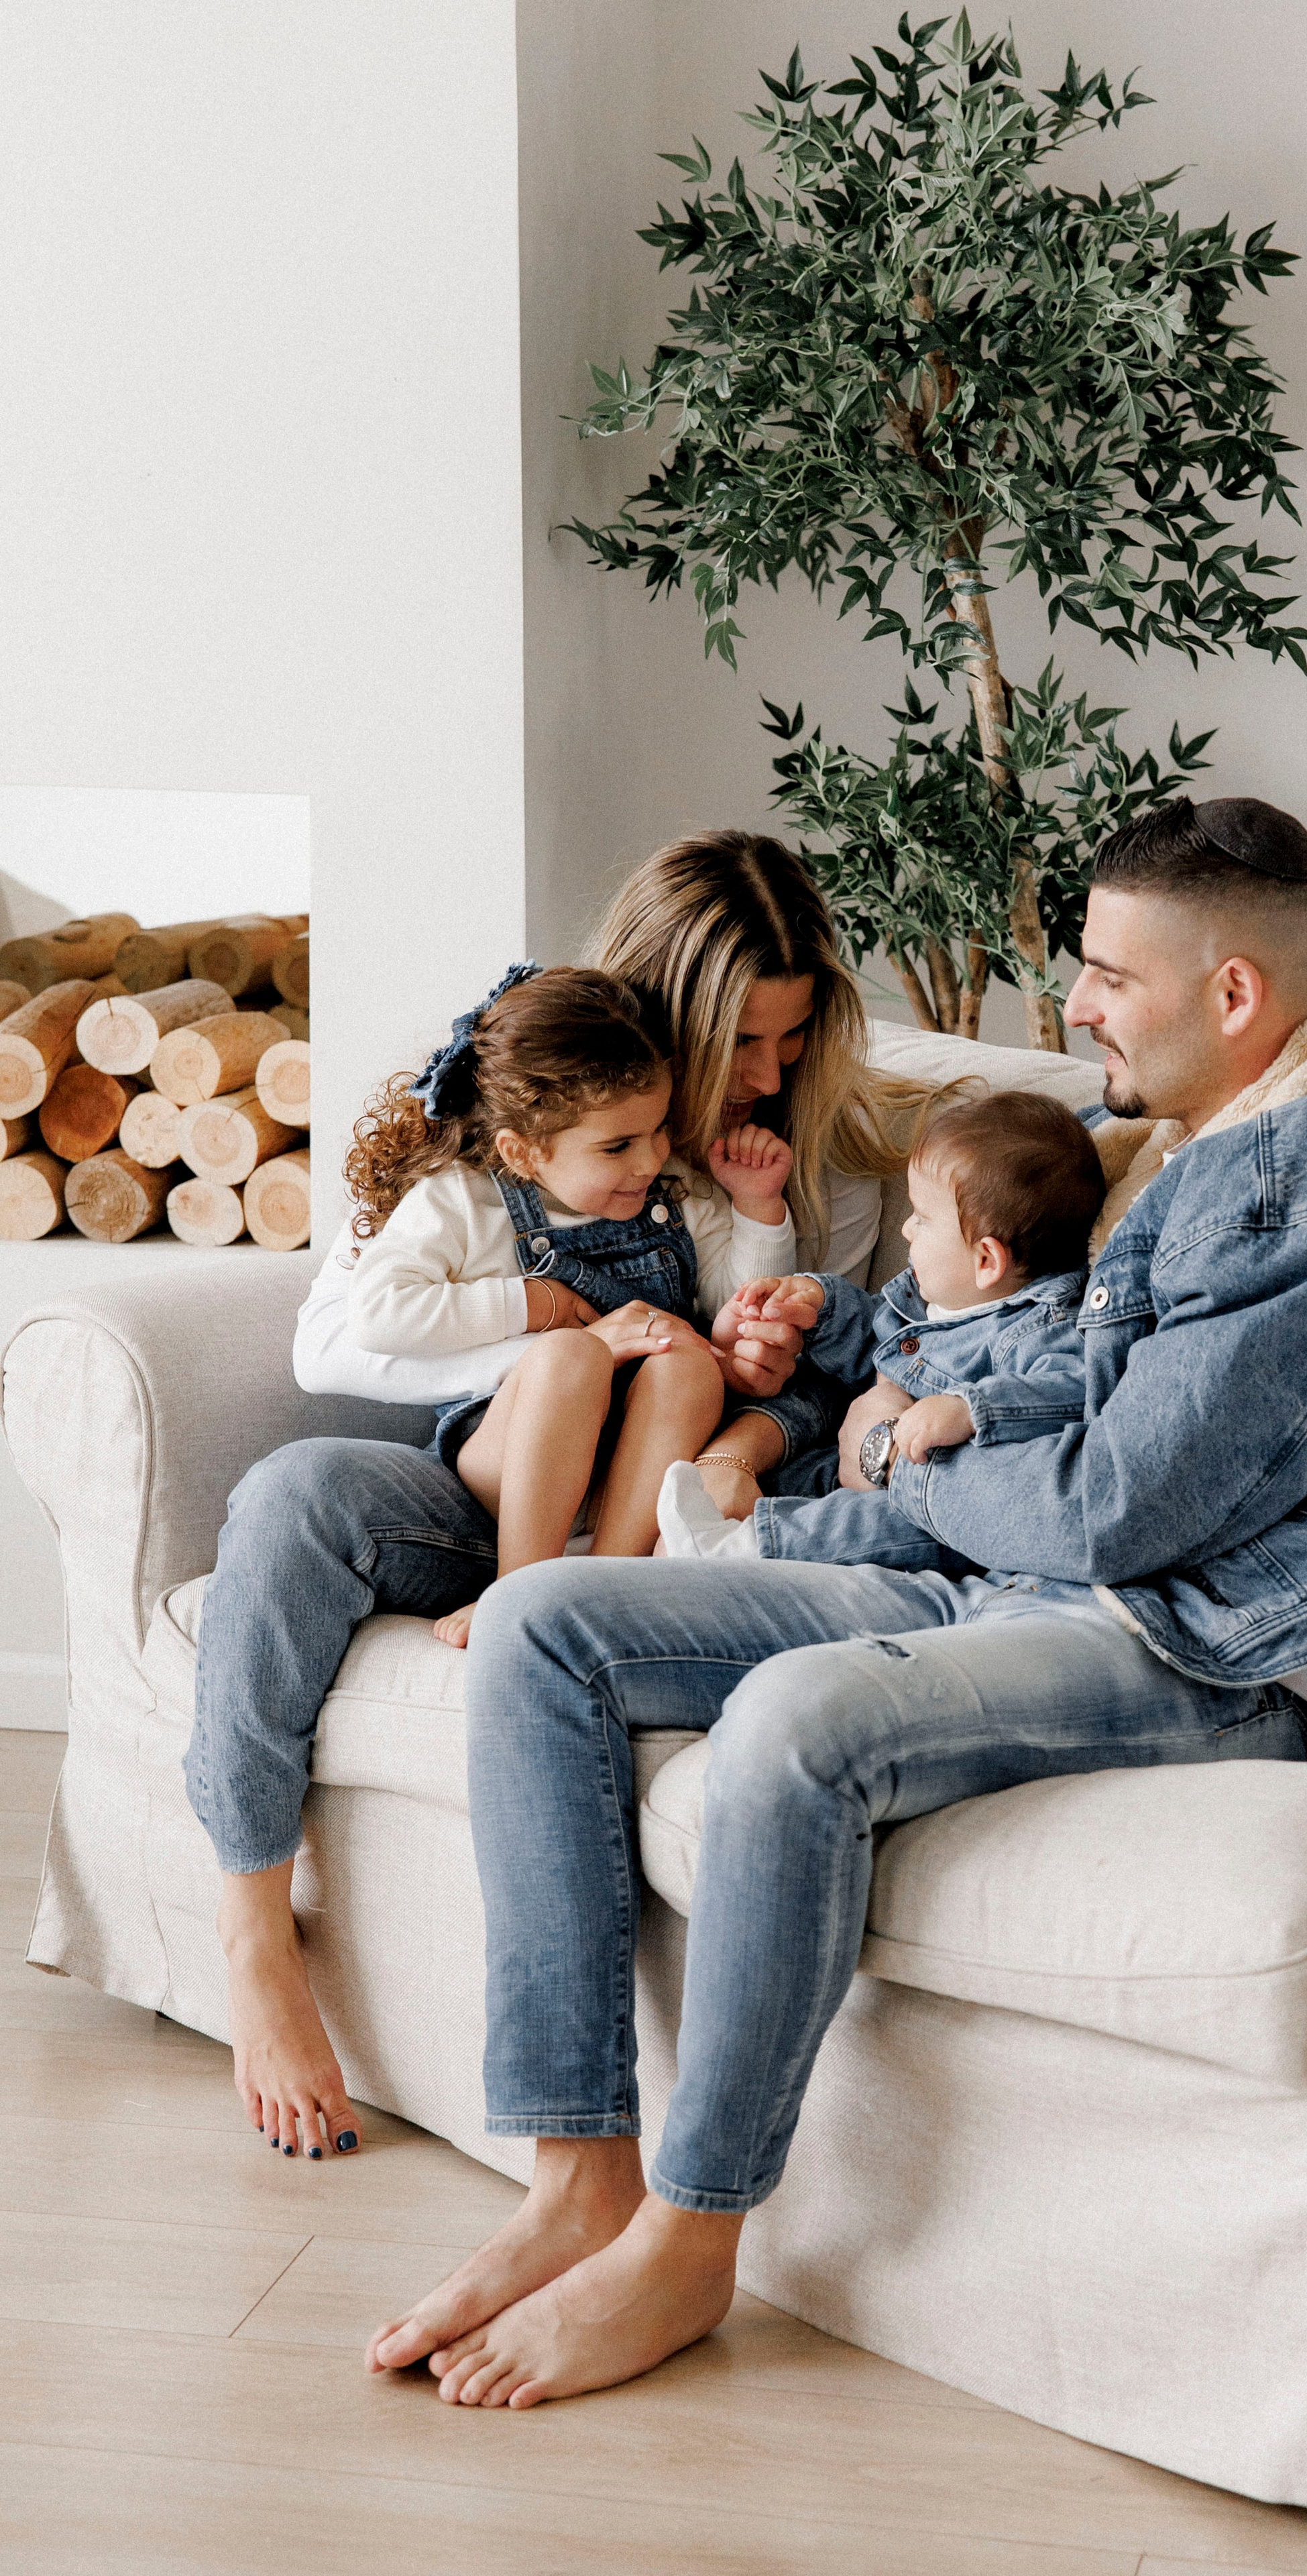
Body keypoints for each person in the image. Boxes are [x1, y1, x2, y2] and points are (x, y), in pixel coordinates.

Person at [364, 795, 1307, 2411]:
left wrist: (891, 1460)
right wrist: (824, 1356)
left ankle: (691, 2238)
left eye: (1106, 974)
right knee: (550, 1627)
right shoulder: (1184, 1136)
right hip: (1013, 1579)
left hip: (1188, 1639)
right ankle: (578, 2178)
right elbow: (976, 1324)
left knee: (794, 1722)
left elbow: (1114, 1511)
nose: (1076, 1004)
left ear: (1233, 993)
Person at [187, 832, 932, 2164]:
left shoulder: (821, 1164)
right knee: (295, 1492)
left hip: (663, 1508)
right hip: (501, 1469)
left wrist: (750, 1412)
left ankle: (557, 1598)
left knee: (672, 1389)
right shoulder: (529, 1100)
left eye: (794, 1037)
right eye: (743, 1042)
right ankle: (251, 1930)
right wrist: (559, 1338)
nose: (769, 1076)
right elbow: (336, 1344)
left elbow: (845, 1386)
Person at [343, 963, 798, 1644]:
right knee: (569, 1357)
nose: (650, 1160)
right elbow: (377, 1312)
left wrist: (758, 1207)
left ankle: (601, 1585)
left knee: (687, 1362)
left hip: (633, 1468)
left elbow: (744, 1308)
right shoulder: (463, 1200)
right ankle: (518, 1592)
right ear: (524, 1153)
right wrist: (534, 1305)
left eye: (658, 1129)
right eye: (617, 1146)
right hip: (515, 1459)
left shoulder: (673, 1193)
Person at [657, 1088, 1107, 1571]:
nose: (906, 1230)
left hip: (928, 1509)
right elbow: (883, 1341)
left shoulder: (1042, 1327)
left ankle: (744, 1549)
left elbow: (1071, 1388)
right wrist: (819, 1304)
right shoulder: (940, 1299)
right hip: (849, 1465)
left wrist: (970, 1408)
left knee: (870, 1523)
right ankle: (726, 1526)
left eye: (922, 1218)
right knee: (803, 1472)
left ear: (986, 1260)